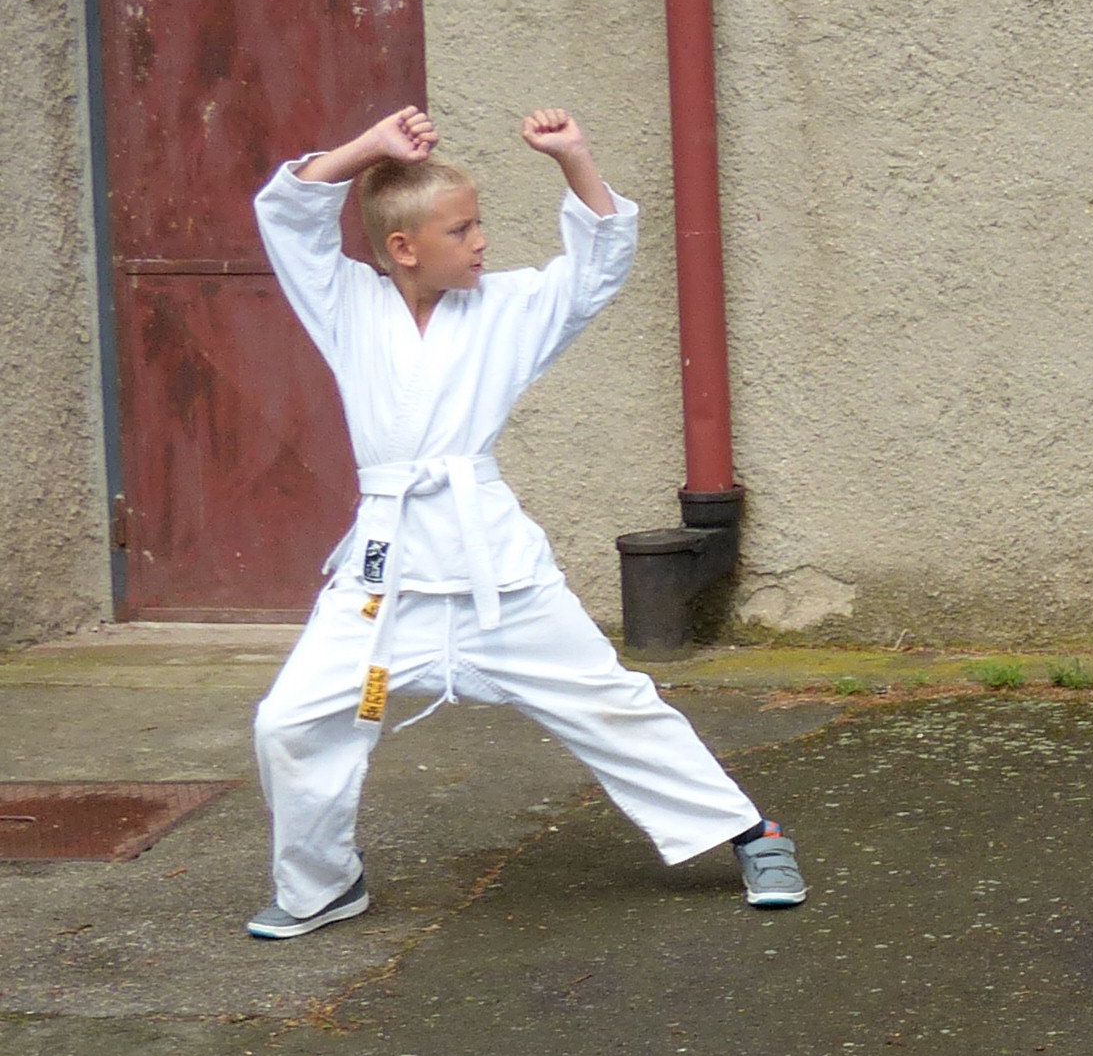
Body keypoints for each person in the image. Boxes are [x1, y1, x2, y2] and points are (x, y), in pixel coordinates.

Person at [242, 105, 806, 938]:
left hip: (495, 576)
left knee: (608, 700)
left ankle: (753, 832)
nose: (481, 242)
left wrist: (574, 157)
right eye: (460, 229)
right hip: (383, 580)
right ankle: (322, 882)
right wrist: (369, 148)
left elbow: (597, 267)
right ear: (403, 247)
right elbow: (289, 211)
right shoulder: (345, 302)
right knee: (290, 721)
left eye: (479, 224)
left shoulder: (510, 307)